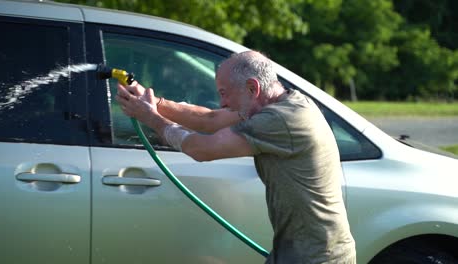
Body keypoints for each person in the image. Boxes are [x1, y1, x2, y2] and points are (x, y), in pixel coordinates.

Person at [116, 50, 356, 263]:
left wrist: (152, 119)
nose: (222, 102)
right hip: (302, 252)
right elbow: (209, 120)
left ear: (253, 88)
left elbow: (202, 149)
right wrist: (153, 103)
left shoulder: (279, 120)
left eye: (224, 93)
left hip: (316, 257)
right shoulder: (278, 104)